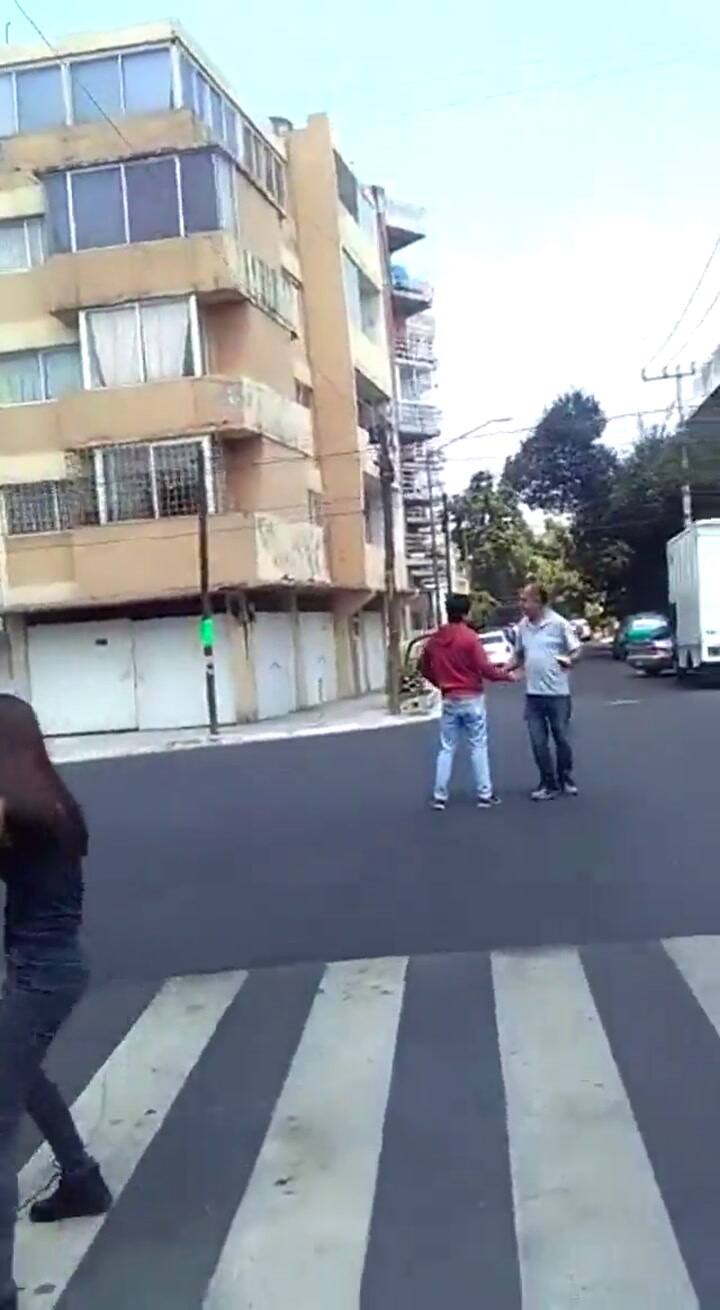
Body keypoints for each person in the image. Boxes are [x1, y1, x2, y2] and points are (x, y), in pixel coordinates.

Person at [0, 695, 111, 1310]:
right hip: (49, 969)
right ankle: (81, 1178)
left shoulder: (17, 813)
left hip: (41, 977)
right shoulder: (53, 805)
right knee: (24, 1077)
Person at [420, 594, 515, 810]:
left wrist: (440, 683)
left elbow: (423, 668)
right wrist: (507, 676)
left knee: (446, 747)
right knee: (478, 745)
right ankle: (485, 794)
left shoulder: (434, 640)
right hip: (472, 697)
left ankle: (440, 796)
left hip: (449, 698)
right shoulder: (470, 638)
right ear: (465, 613)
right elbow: (485, 668)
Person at [509, 583, 581, 801]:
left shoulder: (558, 624)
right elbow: (519, 655)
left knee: (562, 739)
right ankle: (548, 783)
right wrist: (503, 669)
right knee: (538, 742)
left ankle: (565, 778)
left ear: (538, 602)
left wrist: (569, 659)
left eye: (525, 600)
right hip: (533, 695)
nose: (521, 605)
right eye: (521, 600)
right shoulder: (523, 626)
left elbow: (576, 649)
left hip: (558, 694)